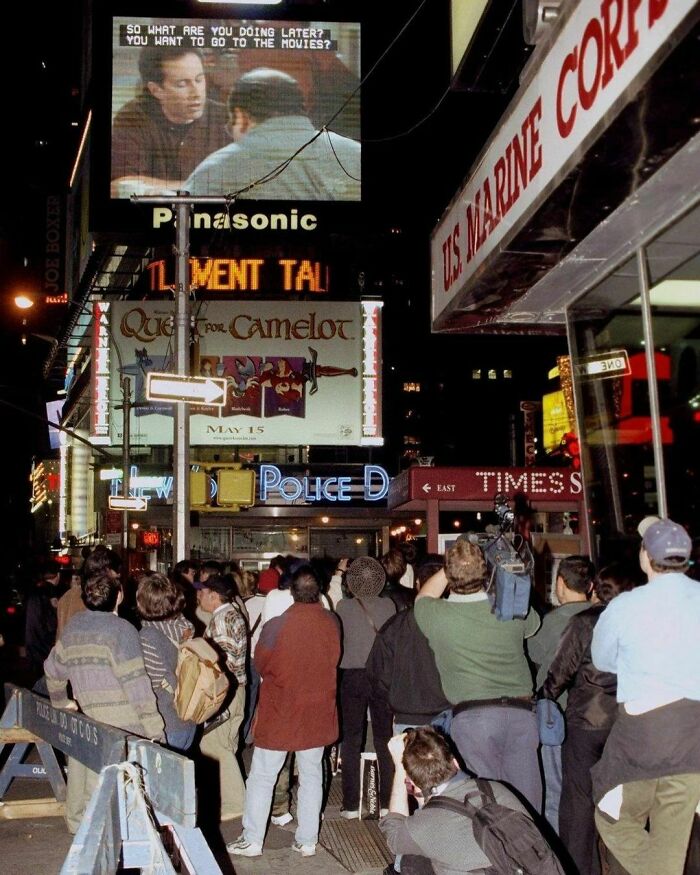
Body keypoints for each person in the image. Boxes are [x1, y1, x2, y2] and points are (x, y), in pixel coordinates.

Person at [592, 518, 700, 875]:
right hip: (694, 737)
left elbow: (603, 660)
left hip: (643, 738)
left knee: (611, 816)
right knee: (672, 840)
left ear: (644, 558)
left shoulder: (625, 607)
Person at [415, 539, 542, 812]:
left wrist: (452, 567)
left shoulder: (435, 615)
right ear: (486, 572)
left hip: (474, 721)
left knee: (488, 806)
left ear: (448, 575)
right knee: (527, 806)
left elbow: (424, 596)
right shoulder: (510, 610)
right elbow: (532, 625)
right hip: (522, 715)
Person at [227, 564, 341, 858]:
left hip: (280, 711)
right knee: (312, 775)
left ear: (291, 593)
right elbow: (334, 658)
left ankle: (252, 839)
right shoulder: (332, 622)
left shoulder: (276, 626)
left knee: (263, 775)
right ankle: (307, 840)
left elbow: (261, 664)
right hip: (317, 711)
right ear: (320, 592)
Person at [44, 573, 164, 833]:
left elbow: (53, 670)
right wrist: (155, 730)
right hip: (121, 725)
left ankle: (79, 828)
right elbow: (137, 685)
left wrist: (61, 701)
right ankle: (107, 841)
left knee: (81, 777)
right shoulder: (122, 630)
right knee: (112, 788)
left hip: (85, 717)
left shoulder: (74, 626)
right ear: (119, 596)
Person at [540, 564, 635, 875]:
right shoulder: (641, 622)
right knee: (623, 800)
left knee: (579, 803)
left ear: (594, 589)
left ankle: (582, 869)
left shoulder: (584, 623)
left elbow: (560, 672)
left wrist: (544, 698)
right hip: (628, 724)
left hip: (586, 722)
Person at [185, 67, 361, 200]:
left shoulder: (215, 169)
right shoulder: (356, 153)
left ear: (241, 116)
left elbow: (183, 226)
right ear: (300, 108)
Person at [380, 727, 535, 875]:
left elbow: (394, 831)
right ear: (456, 763)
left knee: (411, 860)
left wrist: (400, 769)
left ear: (412, 784)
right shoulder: (497, 789)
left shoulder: (424, 826)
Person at [527, 554, 595, 831]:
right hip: (593, 719)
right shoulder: (602, 616)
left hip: (556, 717)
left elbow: (533, 654)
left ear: (560, 583)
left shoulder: (554, 622)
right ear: (590, 586)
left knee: (554, 789)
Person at [111, 46, 229, 197]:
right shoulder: (133, 117)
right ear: (156, 90)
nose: (196, 93)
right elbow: (121, 185)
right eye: (182, 84)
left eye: (199, 79)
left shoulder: (226, 118)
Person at [337, 556, 397, 817]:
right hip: (381, 676)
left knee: (351, 738)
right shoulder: (389, 606)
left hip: (352, 676)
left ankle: (351, 804)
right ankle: (386, 803)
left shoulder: (343, 606)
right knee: (384, 737)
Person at [366, 554, 450, 734]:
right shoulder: (459, 622)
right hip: (448, 715)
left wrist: (393, 697)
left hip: (407, 717)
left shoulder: (396, 625)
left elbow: (377, 671)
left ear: (418, 584)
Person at [195, 573, 248, 823]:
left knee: (215, 746)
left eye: (202, 592)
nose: (198, 596)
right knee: (226, 744)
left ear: (214, 596)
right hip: (237, 690)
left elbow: (221, 664)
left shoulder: (222, 620)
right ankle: (232, 801)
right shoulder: (231, 614)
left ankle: (235, 803)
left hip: (226, 692)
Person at [136, 572, 196, 752]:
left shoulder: (148, 637)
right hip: (188, 720)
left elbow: (147, 687)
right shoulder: (186, 628)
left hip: (166, 724)